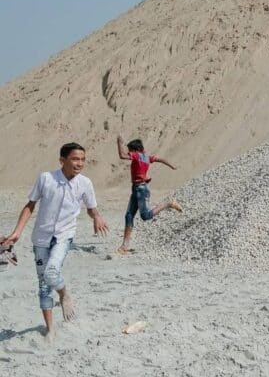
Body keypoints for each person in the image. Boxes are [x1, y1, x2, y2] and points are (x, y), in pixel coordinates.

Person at [1, 142, 109, 339]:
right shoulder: (46, 178)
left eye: (83, 160)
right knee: (43, 285)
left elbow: (91, 208)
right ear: (62, 160)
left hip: (63, 236)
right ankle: (50, 328)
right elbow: (30, 205)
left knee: (51, 273)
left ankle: (64, 294)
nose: (80, 163)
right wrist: (17, 232)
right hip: (40, 238)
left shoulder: (85, 183)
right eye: (75, 159)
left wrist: (98, 217)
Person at [115, 135, 181, 255]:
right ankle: (124, 246)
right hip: (136, 189)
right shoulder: (147, 156)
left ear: (136, 149)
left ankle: (169, 203)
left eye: (130, 150)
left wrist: (119, 142)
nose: (130, 153)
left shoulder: (137, 155)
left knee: (145, 216)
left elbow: (122, 156)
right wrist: (172, 166)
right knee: (129, 216)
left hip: (141, 190)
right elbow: (161, 159)